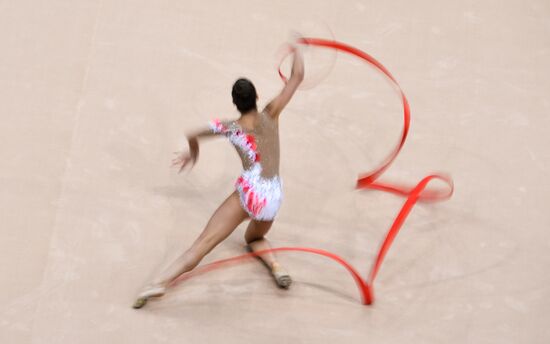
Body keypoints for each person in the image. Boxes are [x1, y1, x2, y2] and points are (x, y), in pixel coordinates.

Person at [133, 42, 304, 309]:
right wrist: (297, 49)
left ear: (234, 103)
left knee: (203, 242)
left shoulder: (229, 127)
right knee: (254, 238)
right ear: (257, 97)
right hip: (272, 196)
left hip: (250, 193)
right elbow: (297, 77)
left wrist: (193, 154)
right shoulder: (271, 113)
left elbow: (192, 134)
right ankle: (276, 266)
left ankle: (160, 282)